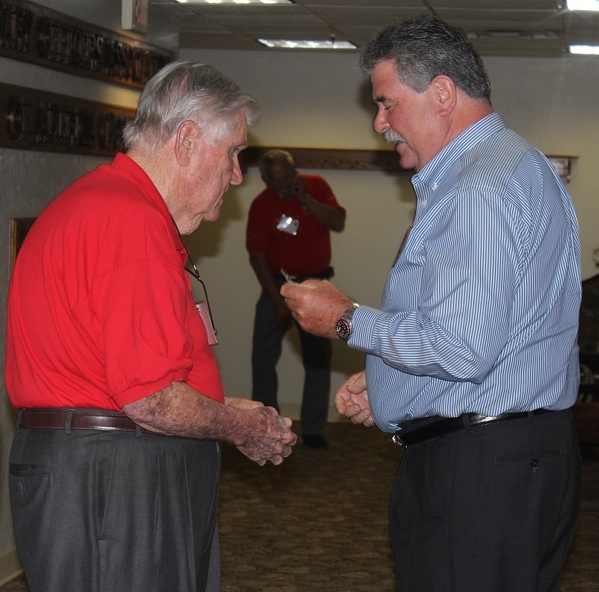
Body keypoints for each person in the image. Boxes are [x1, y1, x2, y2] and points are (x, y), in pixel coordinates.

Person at [281, 16, 581, 592]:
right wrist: (396, 385)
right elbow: (505, 329)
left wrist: (345, 319)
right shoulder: (516, 163)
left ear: (442, 93)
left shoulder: (477, 189)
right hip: (515, 459)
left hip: (481, 472)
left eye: (388, 103)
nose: (380, 123)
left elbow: (464, 349)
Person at [6, 61, 297, 592]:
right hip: (115, 475)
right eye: (232, 151)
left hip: (101, 464)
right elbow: (152, 399)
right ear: (187, 139)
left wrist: (219, 408)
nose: (236, 174)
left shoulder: (105, 203)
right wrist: (241, 428)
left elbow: (120, 374)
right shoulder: (130, 220)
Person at [246, 149, 346, 449]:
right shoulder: (261, 204)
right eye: (276, 181)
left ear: (294, 170)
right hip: (276, 284)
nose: (284, 185)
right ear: (265, 179)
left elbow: (338, 221)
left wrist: (305, 200)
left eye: (288, 176)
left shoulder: (315, 186)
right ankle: (267, 428)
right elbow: (257, 257)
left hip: (315, 284)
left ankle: (314, 429)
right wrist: (277, 302)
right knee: (263, 357)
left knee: (318, 359)